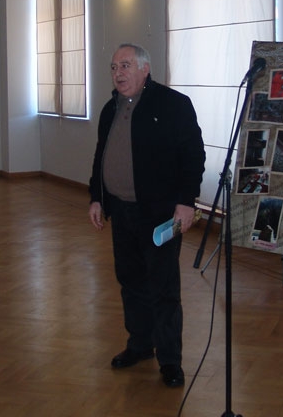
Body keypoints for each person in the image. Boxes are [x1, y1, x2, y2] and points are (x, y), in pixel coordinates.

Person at [88, 43, 205, 388]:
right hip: (121, 211)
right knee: (130, 282)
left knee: (163, 288)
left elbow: (193, 155)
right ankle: (140, 344)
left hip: (160, 215)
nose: (118, 73)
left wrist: (186, 202)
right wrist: (96, 198)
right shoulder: (110, 108)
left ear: (145, 68)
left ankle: (170, 360)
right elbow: (100, 156)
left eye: (125, 65)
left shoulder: (173, 105)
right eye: (114, 67)